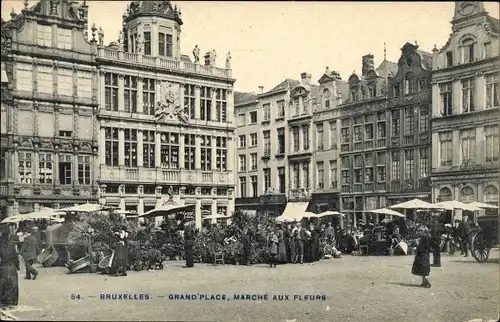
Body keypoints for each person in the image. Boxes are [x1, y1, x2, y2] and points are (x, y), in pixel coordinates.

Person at [0, 225, 20, 309]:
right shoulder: (11, 244)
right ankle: (11, 302)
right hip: (11, 267)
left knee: (3, 284)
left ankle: (3, 302)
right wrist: (17, 265)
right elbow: (15, 256)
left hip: (3, 267)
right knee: (13, 284)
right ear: (8, 234)